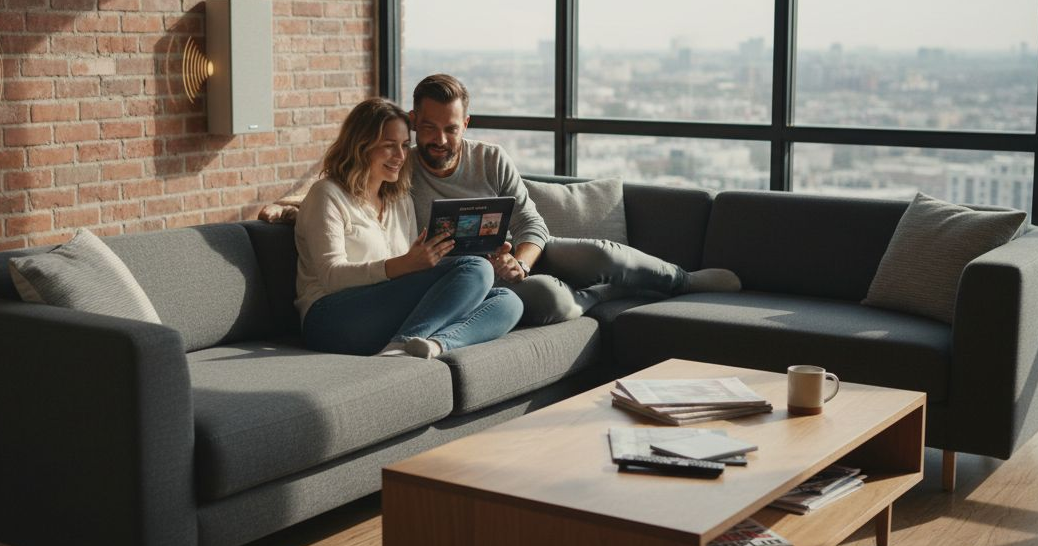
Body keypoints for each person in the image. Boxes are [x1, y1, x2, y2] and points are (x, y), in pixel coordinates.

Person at [407, 73, 742, 326]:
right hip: (469, 282)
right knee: (550, 298)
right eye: (428, 128)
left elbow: (530, 223)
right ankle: (605, 293)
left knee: (601, 253)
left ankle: (681, 280)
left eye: (451, 129)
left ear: (465, 124)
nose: (440, 139)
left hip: (518, 257)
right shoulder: (400, 174)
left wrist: (520, 263)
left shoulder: (490, 158)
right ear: (413, 122)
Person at [294, 98, 524, 358]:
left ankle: (431, 345)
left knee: (507, 300)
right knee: (475, 267)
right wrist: (405, 264)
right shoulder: (327, 195)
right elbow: (331, 276)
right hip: (330, 317)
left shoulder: (399, 198)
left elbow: (411, 277)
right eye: (389, 146)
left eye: (404, 146)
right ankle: (406, 341)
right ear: (360, 146)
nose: (401, 156)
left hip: (386, 313)